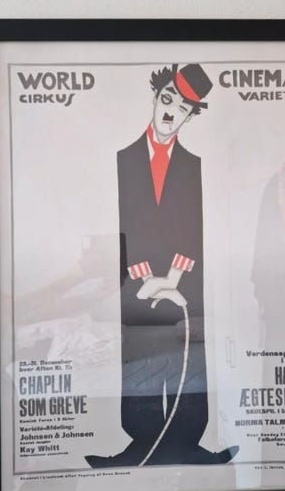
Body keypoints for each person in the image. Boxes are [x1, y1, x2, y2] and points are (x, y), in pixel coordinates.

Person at [86, 64, 239, 467]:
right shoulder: (123, 159)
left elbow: (191, 225)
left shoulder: (192, 164)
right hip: (134, 282)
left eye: (183, 108)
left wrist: (171, 279)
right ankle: (140, 443)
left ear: (190, 116)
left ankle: (189, 442)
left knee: (189, 355)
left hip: (184, 279)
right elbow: (123, 222)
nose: (171, 112)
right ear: (156, 97)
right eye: (168, 99)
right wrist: (145, 277)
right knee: (139, 355)